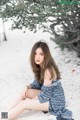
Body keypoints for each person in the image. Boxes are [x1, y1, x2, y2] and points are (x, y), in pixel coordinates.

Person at [0, 41, 73, 120]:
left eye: (41, 54)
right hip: (47, 95)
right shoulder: (41, 66)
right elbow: (36, 85)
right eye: (35, 53)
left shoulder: (48, 71)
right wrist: (26, 87)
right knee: (25, 93)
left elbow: (45, 96)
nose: (37, 57)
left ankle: (4, 118)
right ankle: (5, 113)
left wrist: (30, 101)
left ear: (46, 55)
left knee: (23, 104)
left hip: (55, 101)